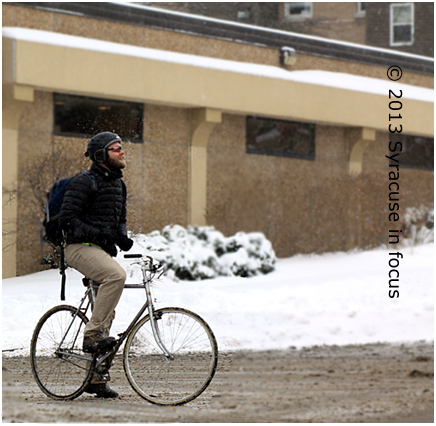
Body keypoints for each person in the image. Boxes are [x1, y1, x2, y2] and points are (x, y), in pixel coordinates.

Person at [60, 131, 133, 398]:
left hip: (99, 250)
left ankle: (96, 379)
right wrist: (98, 234)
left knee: (107, 317)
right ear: (101, 155)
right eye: (116, 149)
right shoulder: (84, 182)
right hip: (79, 248)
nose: (122, 152)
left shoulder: (118, 185)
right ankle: (90, 334)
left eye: (122, 148)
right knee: (116, 276)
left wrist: (122, 237)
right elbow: (67, 219)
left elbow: (120, 218)